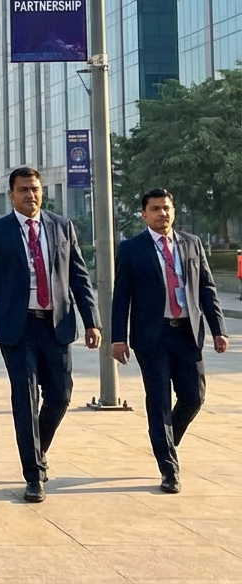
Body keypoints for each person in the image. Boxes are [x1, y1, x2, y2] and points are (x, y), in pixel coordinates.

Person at [0, 167, 100, 503]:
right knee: (25, 398)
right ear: (11, 195)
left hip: (56, 323)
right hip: (18, 327)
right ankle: (33, 475)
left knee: (60, 396)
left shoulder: (61, 226)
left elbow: (79, 276)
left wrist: (92, 322)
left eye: (35, 189)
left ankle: (36, 452)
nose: (31, 195)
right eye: (23, 190)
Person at [111, 188, 228, 494]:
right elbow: (121, 296)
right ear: (144, 215)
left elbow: (207, 288)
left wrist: (218, 329)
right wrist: (118, 338)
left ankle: (164, 442)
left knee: (194, 396)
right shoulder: (132, 248)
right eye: (155, 209)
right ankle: (169, 469)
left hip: (187, 333)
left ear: (173, 211)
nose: (162, 213)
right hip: (153, 336)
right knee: (159, 400)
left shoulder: (191, 244)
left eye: (166, 208)